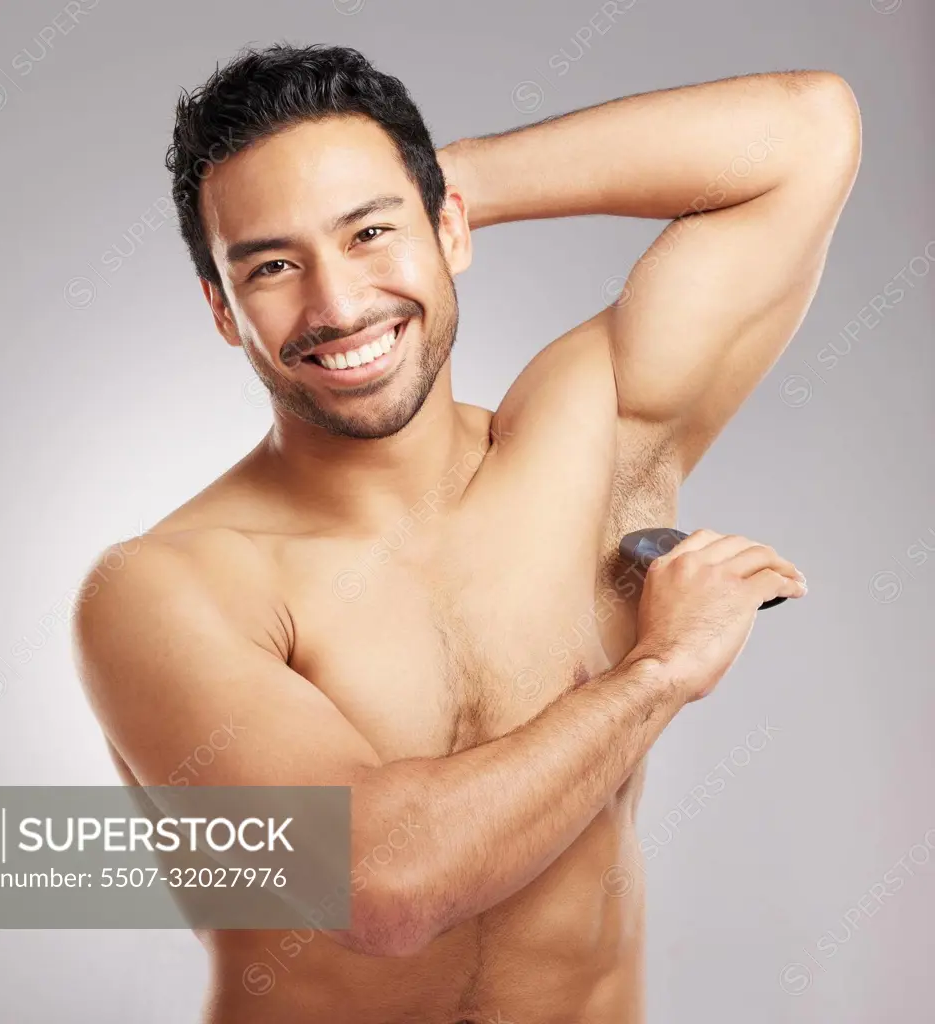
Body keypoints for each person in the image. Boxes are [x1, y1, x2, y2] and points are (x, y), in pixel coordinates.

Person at [71, 43, 860, 1024]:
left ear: (450, 228)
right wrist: (657, 671)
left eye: (368, 236)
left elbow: (805, 131)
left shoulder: (591, 445)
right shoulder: (168, 586)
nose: (338, 303)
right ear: (224, 313)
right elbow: (385, 885)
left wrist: (440, 184)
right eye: (272, 264)